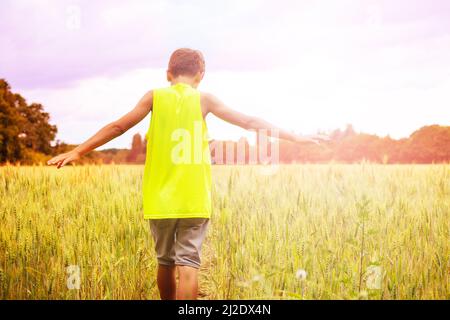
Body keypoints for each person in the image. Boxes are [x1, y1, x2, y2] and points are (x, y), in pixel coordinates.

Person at [47, 48, 328, 300]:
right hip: (194, 197)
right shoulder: (205, 99)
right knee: (189, 263)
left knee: (165, 262)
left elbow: (118, 127)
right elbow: (249, 121)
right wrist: (296, 137)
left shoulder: (154, 96)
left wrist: (77, 151)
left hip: (160, 199)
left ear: (168, 73)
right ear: (201, 75)